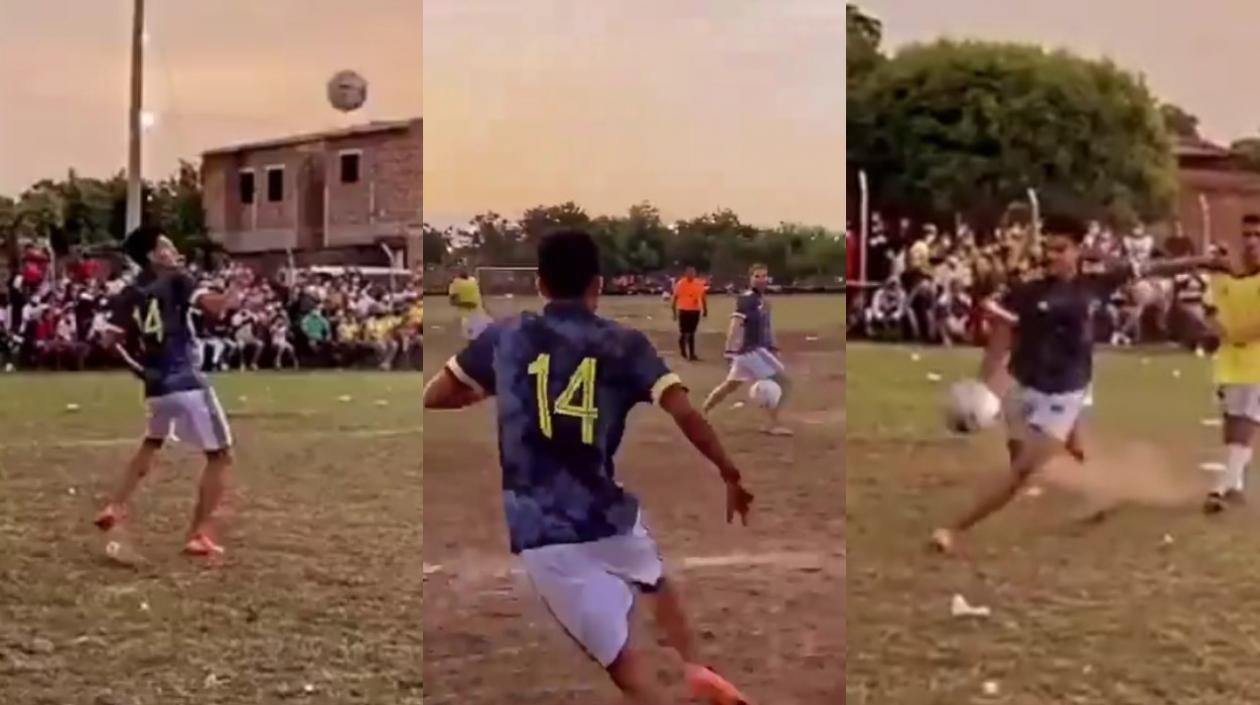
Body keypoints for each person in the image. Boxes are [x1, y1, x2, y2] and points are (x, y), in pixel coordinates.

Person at [423, 229, 754, 705]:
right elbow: (684, 410)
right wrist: (729, 472)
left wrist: (499, 388)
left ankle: (677, 686)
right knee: (655, 580)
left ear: (540, 283)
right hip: (607, 509)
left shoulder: (507, 336)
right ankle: (694, 667)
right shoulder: (624, 343)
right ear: (597, 285)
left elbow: (437, 394)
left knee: (628, 670)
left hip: (543, 528)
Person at [931, 212, 1221, 553]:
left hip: (1065, 391)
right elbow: (1004, 333)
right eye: (1049, 248)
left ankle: (953, 529)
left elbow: (1160, 269)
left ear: (1078, 251)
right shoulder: (1029, 288)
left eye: (1060, 249)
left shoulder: (1097, 283)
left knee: (1021, 472)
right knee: (1022, 456)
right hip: (1023, 384)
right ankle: (1087, 470)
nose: (1052, 256)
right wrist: (984, 383)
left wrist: (1207, 260)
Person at [94, 226, 247, 557]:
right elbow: (216, 308)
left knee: (152, 442)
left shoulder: (129, 292)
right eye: (166, 245)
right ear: (153, 255)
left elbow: (108, 341)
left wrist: (139, 368)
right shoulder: (178, 279)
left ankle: (115, 505)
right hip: (187, 381)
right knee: (220, 456)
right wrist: (234, 290)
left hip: (156, 385)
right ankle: (197, 534)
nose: (174, 249)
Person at [1201, 215, 1260, 513]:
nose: (1252, 241)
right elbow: (1208, 306)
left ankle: (1219, 488)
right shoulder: (1228, 276)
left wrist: (1234, 333)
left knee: (1246, 424)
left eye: (1258, 235)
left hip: (1257, 362)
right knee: (1232, 423)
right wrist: (1213, 325)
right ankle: (1235, 485)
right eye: (1247, 235)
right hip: (1228, 361)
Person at [701, 263, 794, 436]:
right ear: (750, 278)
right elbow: (735, 324)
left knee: (730, 385)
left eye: (764, 276)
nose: (761, 279)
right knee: (782, 383)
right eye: (757, 276)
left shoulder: (763, 300)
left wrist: (772, 345)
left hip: (756, 351)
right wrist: (728, 349)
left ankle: (702, 412)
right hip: (750, 351)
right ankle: (772, 425)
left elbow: (766, 326)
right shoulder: (747, 299)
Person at [671, 265, 707, 361]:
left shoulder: (699, 284)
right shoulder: (681, 284)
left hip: (695, 311)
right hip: (684, 310)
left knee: (692, 333)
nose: (691, 275)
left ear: (695, 274)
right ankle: (682, 347)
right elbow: (675, 298)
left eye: (693, 273)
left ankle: (691, 354)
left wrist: (705, 309)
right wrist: (674, 312)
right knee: (684, 332)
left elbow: (703, 297)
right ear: (686, 274)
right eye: (689, 273)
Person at [448, 269, 491, 340]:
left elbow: (453, 300)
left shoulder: (457, 283)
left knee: (473, 332)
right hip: (473, 310)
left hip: (472, 310)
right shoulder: (472, 281)